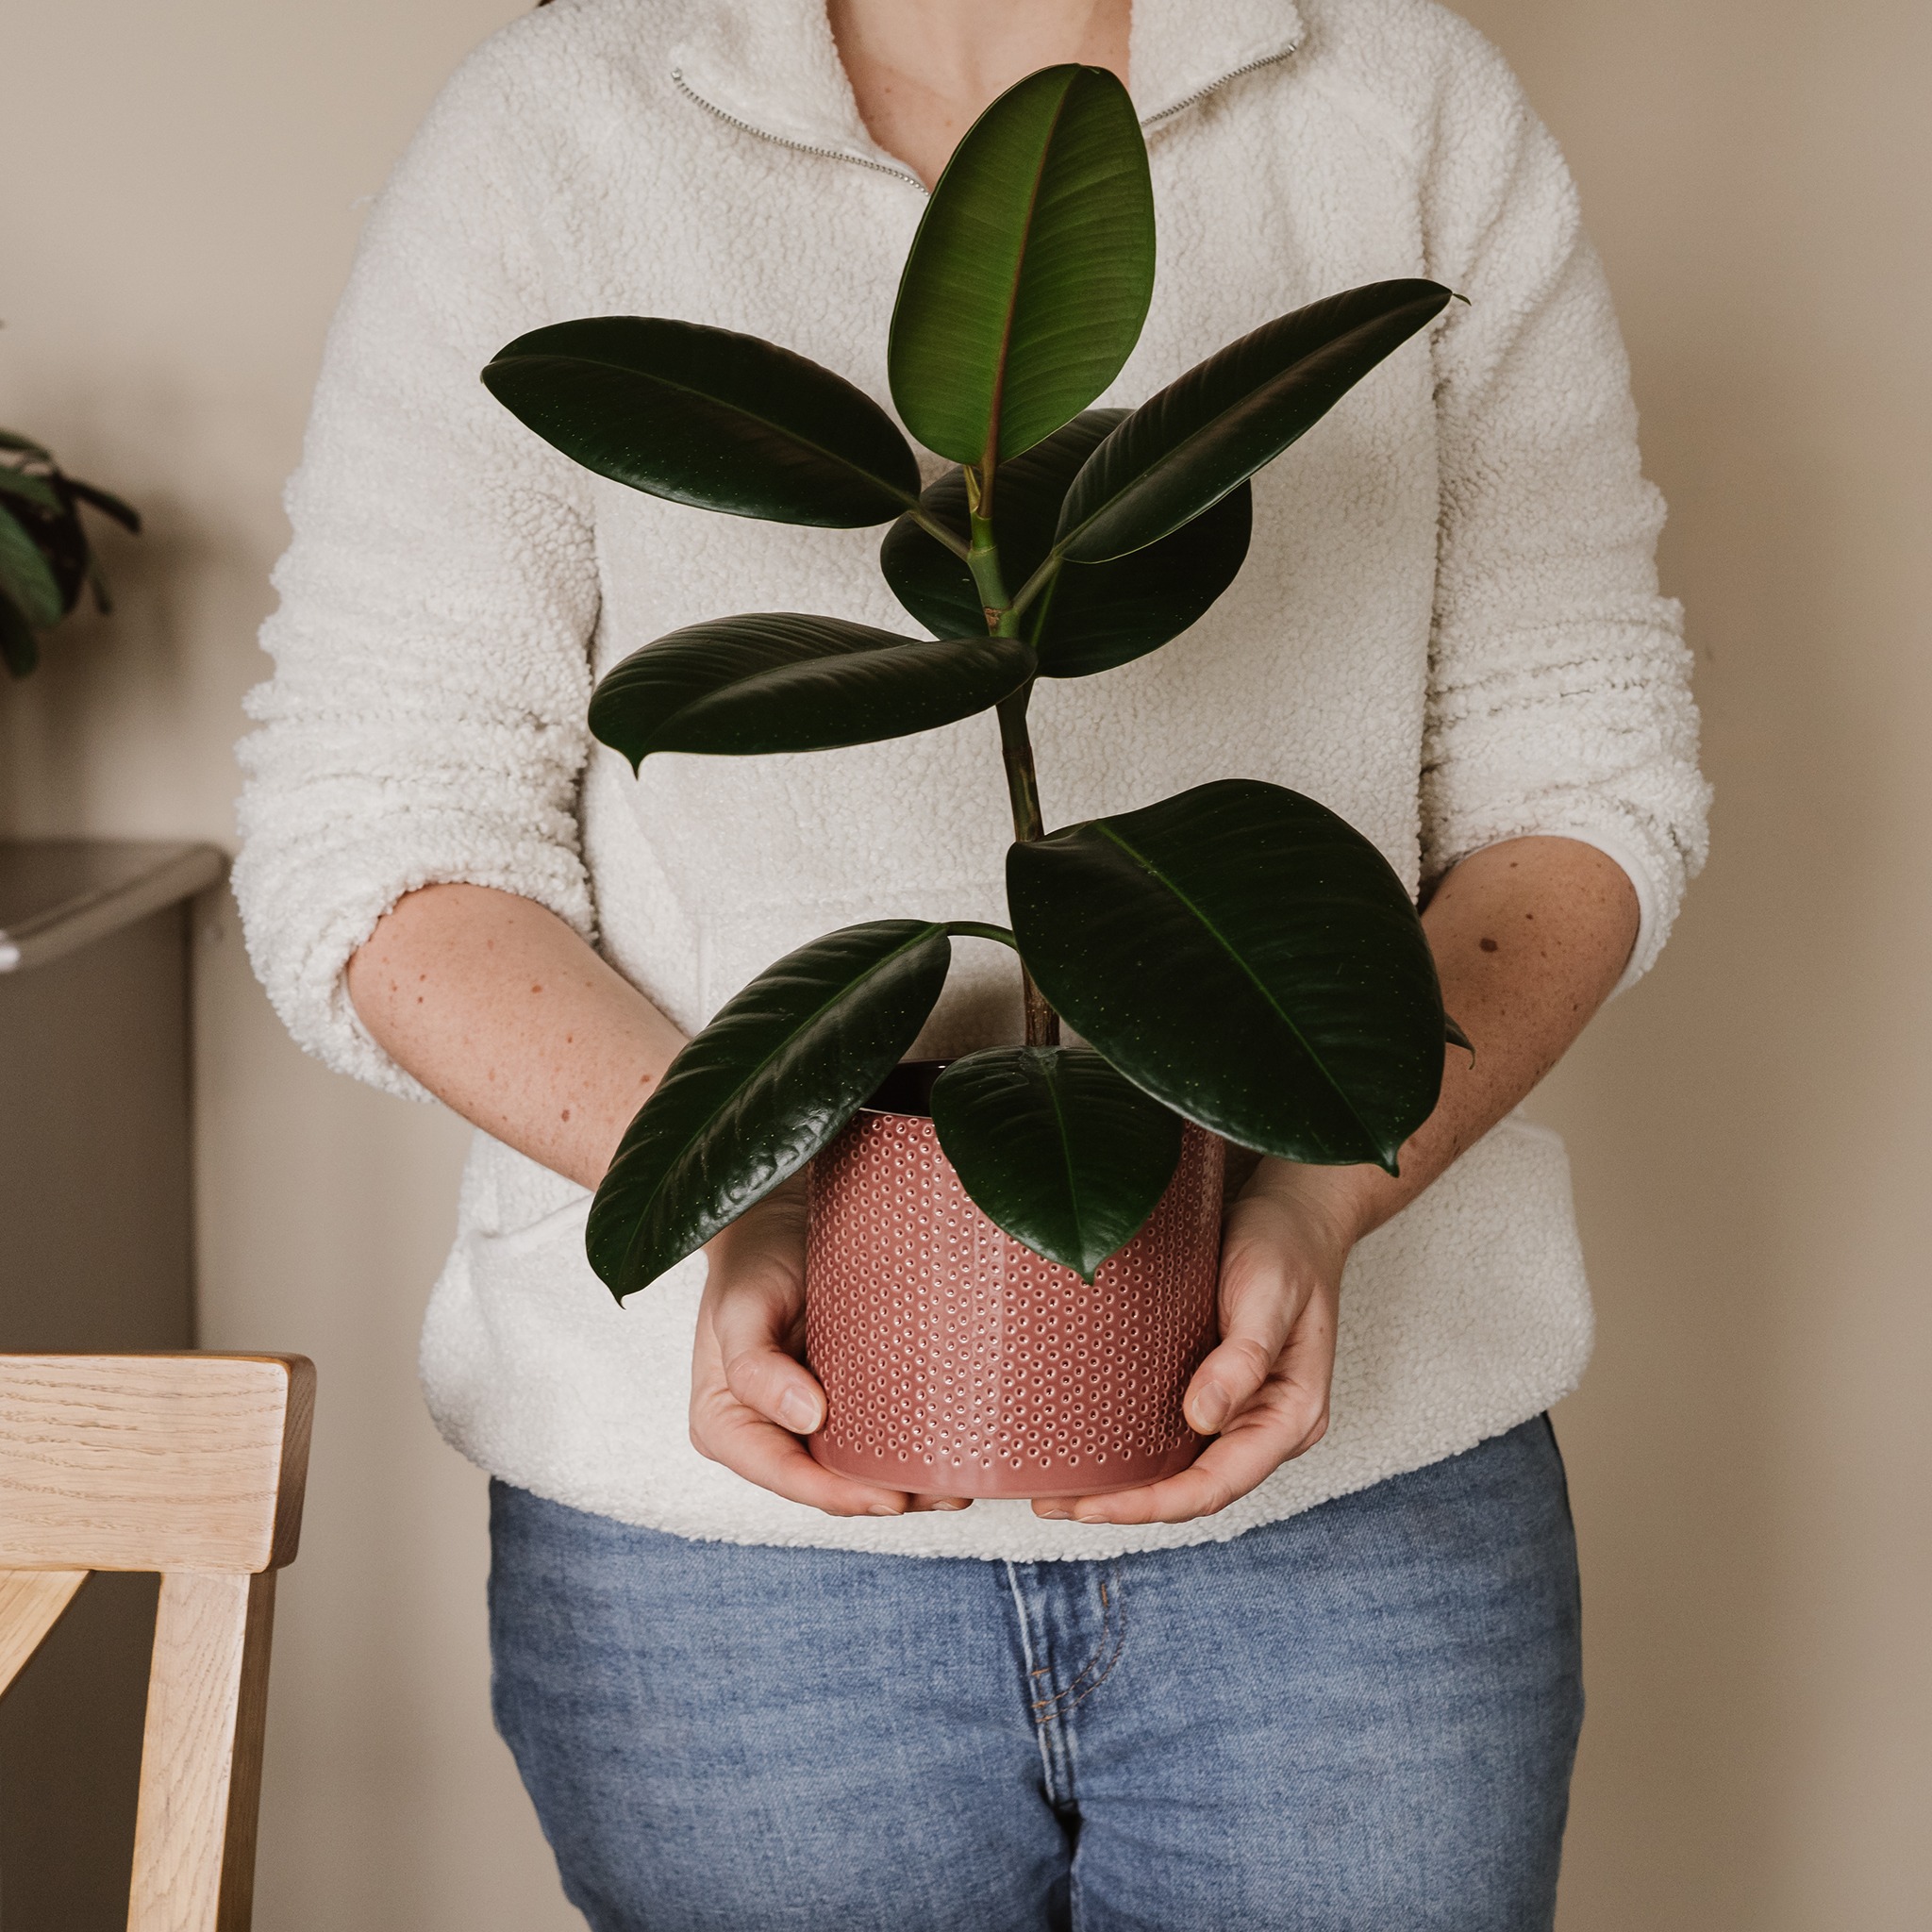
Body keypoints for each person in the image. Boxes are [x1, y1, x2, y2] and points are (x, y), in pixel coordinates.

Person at [234, 0, 1708, 1925]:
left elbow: (1578, 775)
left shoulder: (1396, 103)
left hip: (1359, 1518)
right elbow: (379, 838)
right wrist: (742, 1188)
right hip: (723, 1577)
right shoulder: (558, 133)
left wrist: (1325, 1188)